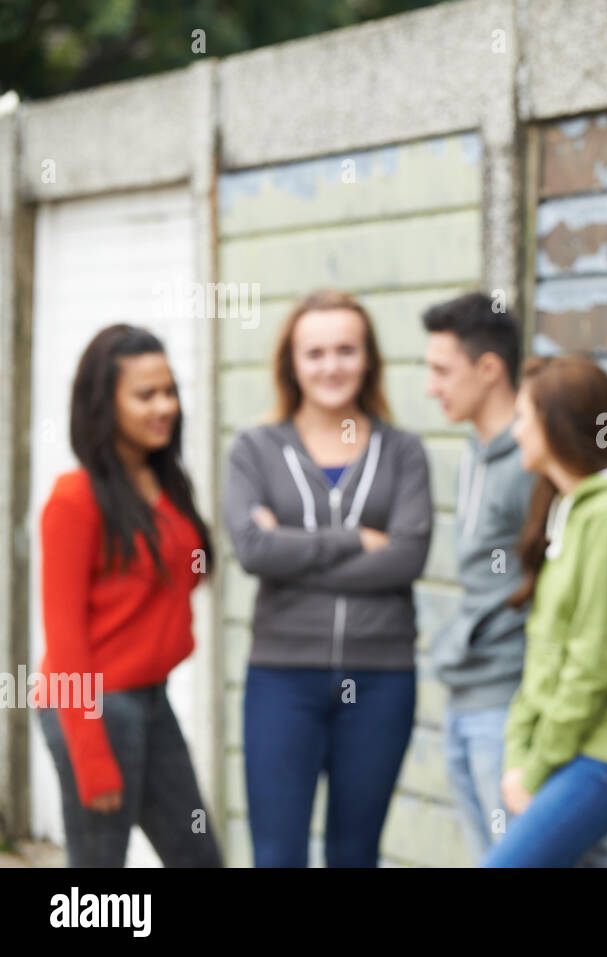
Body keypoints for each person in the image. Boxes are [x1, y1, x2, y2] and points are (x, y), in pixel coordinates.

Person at [222, 289, 433, 867]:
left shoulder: (404, 452)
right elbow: (253, 550)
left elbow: (407, 559)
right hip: (281, 680)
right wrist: (352, 540)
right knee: (277, 854)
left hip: (381, 679)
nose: (331, 366)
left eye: (346, 350)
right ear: (291, 362)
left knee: (354, 854)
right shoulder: (254, 449)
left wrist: (291, 551)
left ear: (368, 359)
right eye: (314, 353)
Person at [34, 324, 223, 868]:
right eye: (146, 395)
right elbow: (65, 639)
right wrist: (91, 759)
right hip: (96, 706)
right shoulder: (75, 500)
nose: (165, 406)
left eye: (170, 391)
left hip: (151, 698)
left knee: (198, 856)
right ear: (104, 403)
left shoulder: (164, 484)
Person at [482, 356, 607, 867]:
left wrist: (537, 765)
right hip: (571, 748)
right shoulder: (572, 506)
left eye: (523, 417)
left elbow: (596, 660)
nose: (515, 431)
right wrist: (518, 753)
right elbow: (546, 651)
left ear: (554, 423)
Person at [422, 292, 535, 862]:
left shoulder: (528, 458)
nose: (430, 386)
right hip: (464, 696)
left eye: (441, 371)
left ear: (489, 369)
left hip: (507, 702)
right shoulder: (475, 447)